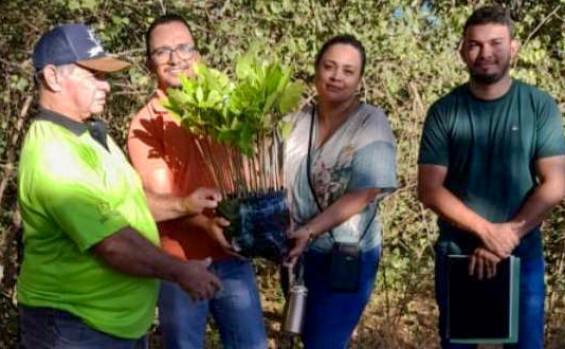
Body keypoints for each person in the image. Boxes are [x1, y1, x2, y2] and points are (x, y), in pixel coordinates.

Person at [17, 23, 222, 349]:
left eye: (105, 75)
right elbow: (111, 243)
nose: (106, 86)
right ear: (54, 77)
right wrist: (181, 271)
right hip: (75, 326)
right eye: (94, 75)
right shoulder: (52, 154)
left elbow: (129, 199)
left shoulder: (86, 133)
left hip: (114, 324)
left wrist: (185, 205)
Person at [417, 6, 565, 349]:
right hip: (457, 253)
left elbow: (556, 183)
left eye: (496, 43)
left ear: (513, 48)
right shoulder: (444, 111)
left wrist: (508, 237)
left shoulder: (538, 105)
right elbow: (429, 189)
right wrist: (488, 233)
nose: (485, 53)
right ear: (462, 51)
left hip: (522, 251)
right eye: (475, 44)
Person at [127, 14, 267, 349]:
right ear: (150, 65)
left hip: (234, 258)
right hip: (180, 262)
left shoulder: (228, 107)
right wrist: (208, 227)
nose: (175, 58)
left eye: (183, 47)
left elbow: (250, 172)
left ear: (199, 56)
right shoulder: (146, 124)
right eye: (162, 52)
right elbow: (163, 199)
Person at [284, 35, 397, 348]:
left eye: (348, 71)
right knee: (306, 338)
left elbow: (363, 193)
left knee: (326, 342)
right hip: (299, 254)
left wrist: (309, 230)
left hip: (346, 257)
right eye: (330, 67)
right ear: (316, 69)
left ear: (359, 79)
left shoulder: (371, 122)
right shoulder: (295, 122)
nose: (337, 77)